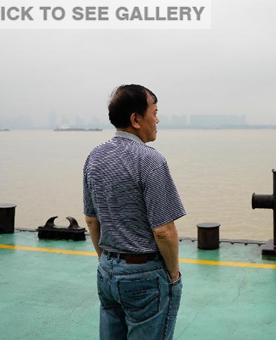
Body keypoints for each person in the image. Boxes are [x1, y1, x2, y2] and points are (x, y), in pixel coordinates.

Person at [83, 84, 186, 340]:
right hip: (145, 277)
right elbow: (163, 230)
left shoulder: (94, 157)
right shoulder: (150, 160)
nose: (157, 119)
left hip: (107, 271)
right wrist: (173, 275)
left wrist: (105, 260)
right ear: (136, 119)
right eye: (154, 112)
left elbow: (91, 220)